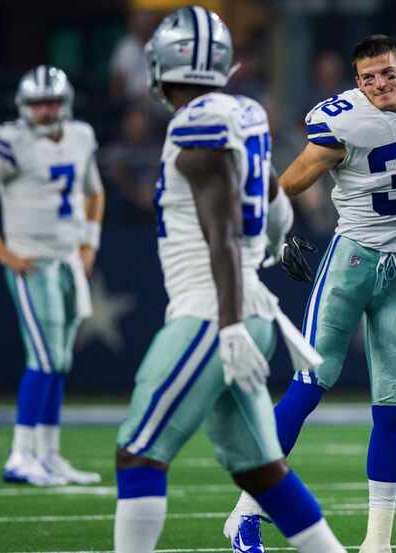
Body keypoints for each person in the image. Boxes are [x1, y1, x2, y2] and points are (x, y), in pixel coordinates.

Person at [112, 8, 345, 553]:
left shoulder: (196, 122)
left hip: (213, 310)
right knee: (263, 472)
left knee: (139, 451)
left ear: (162, 63)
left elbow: (220, 229)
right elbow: (269, 197)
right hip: (244, 307)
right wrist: (278, 236)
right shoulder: (244, 111)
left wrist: (229, 322)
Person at [226, 34, 396, 553]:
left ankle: (378, 541)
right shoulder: (342, 119)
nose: (379, 84)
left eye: (387, 73)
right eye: (368, 77)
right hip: (352, 259)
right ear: (356, 82)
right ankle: (245, 512)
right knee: (310, 384)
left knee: (392, 406)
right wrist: (273, 232)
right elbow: (292, 180)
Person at [0, 66, 104, 486]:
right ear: (24, 106)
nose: (45, 111)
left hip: (68, 261)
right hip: (32, 262)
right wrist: (3, 253)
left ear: (65, 102)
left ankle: (49, 455)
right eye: (38, 103)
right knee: (43, 359)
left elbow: (95, 192)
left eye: (52, 102)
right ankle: (21, 455)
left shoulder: (80, 136)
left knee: (59, 361)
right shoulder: (10, 141)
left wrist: (89, 243)